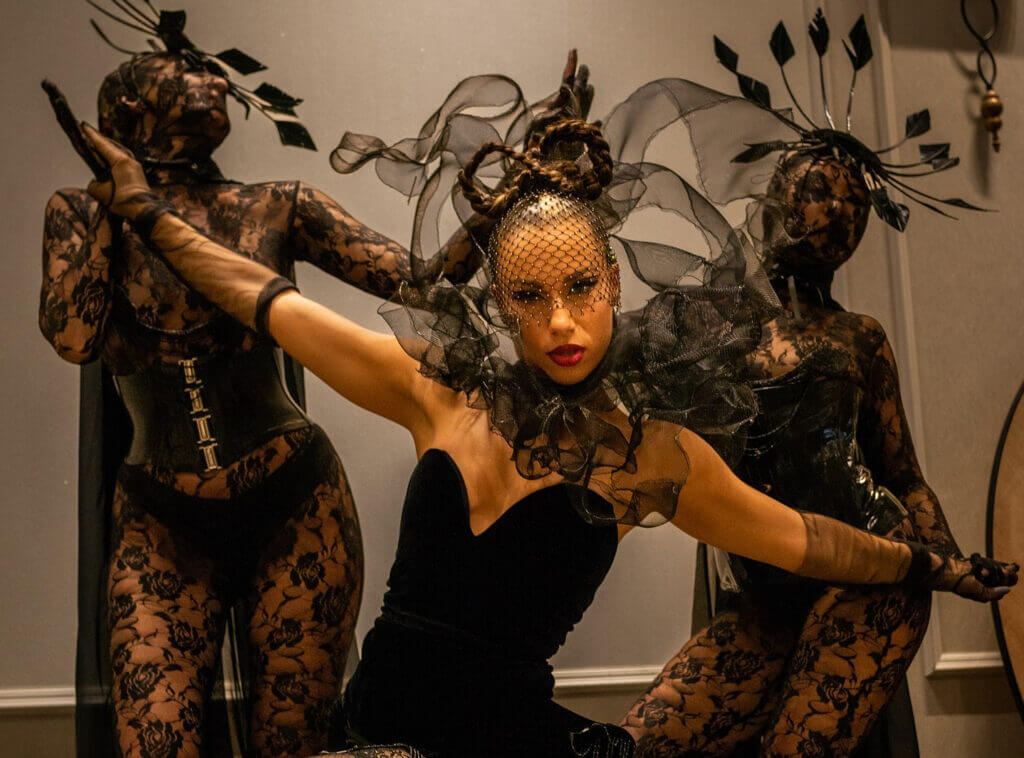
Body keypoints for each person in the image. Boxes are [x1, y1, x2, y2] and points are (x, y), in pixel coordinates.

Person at [75, 107, 1017, 758]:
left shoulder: (651, 456)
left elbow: (805, 540)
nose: (561, 320)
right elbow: (267, 299)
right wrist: (147, 211)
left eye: (580, 289)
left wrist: (924, 564)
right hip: (379, 731)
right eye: (530, 295)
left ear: (614, 285)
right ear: (499, 302)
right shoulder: (439, 394)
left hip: (512, 740)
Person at [39, 5, 487, 755]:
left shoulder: (276, 205)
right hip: (160, 520)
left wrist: (496, 209)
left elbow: (422, 281)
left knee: (294, 744)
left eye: (208, 72)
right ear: (124, 108)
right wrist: (114, 208)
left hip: (295, 504)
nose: (206, 80)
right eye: (181, 72)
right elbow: (74, 338)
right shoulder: (80, 214)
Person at [612, 13, 991, 755]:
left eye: (857, 205)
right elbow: (609, 362)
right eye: (821, 190)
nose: (838, 213)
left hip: (867, 574)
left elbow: (903, 475)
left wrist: (949, 564)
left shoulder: (859, 337)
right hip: (761, 587)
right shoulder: (708, 316)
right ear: (776, 194)